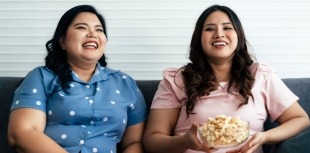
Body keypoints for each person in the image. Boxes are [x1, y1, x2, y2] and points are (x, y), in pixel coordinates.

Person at [143, 4, 309, 153]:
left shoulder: (260, 74)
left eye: (227, 28)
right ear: (199, 38)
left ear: (238, 35)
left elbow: (300, 119)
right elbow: (152, 140)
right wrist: (183, 142)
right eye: (209, 29)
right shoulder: (177, 79)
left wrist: (263, 137)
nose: (219, 34)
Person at [8, 5, 147, 153]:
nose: (92, 34)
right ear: (62, 41)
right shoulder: (41, 77)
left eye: (99, 30)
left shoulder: (126, 84)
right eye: (82, 28)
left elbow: (134, 142)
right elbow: (22, 133)